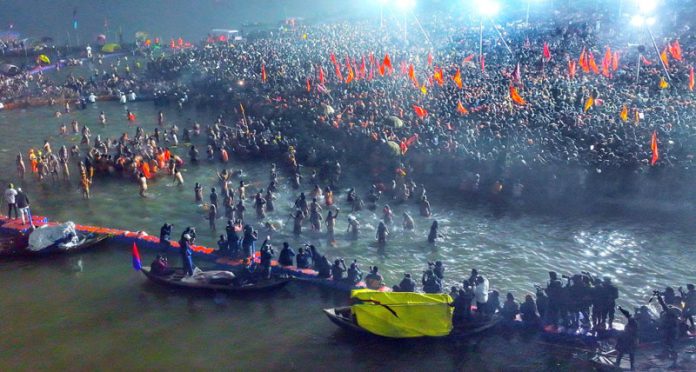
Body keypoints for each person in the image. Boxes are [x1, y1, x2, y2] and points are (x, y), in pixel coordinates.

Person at [615, 306, 639, 370]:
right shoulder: (633, 322)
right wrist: (620, 309)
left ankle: (631, 366)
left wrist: (635, 342)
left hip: (629, 339)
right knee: (622, 352)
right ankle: (617, 364)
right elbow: (627, 314)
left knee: (629, 353)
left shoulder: (634, 324)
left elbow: (635, 335)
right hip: (626, 338)